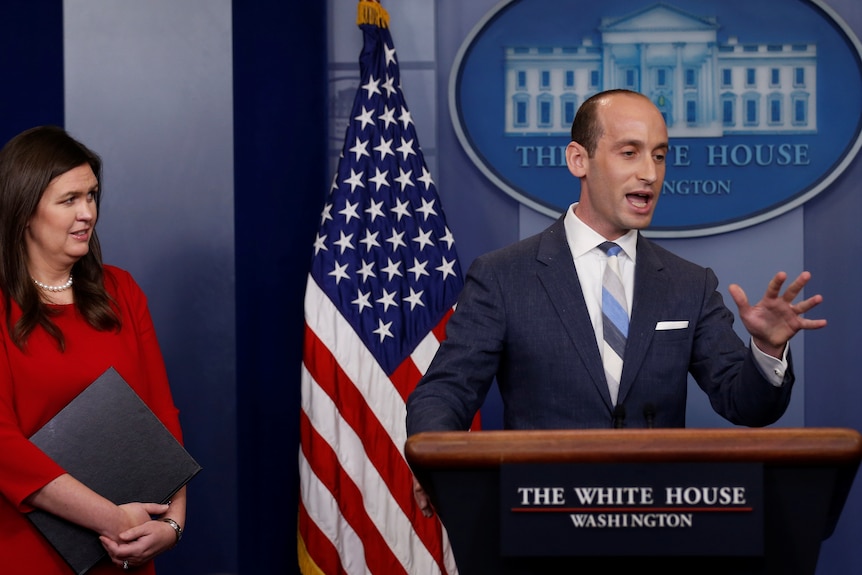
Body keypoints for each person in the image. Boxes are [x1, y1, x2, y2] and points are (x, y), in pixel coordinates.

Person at [406, 89, 826, 515]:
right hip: (540, 521)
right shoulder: (503, 276)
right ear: (578, 160)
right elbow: (446, 391)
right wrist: (435, 459)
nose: (650, 173)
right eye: (630, 152)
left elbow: (746, 404)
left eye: (659, 156)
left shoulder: (688, 284)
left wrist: (768, 349)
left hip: (658, 526)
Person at [0, 126, 187, 573]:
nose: (88, 213)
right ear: (24, 210)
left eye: (92, 195)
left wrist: (173, 524)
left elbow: (161, 415)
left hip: (133, 547)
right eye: (69, 200)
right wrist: (113, 518)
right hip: (28, 550)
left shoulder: (122, 290)